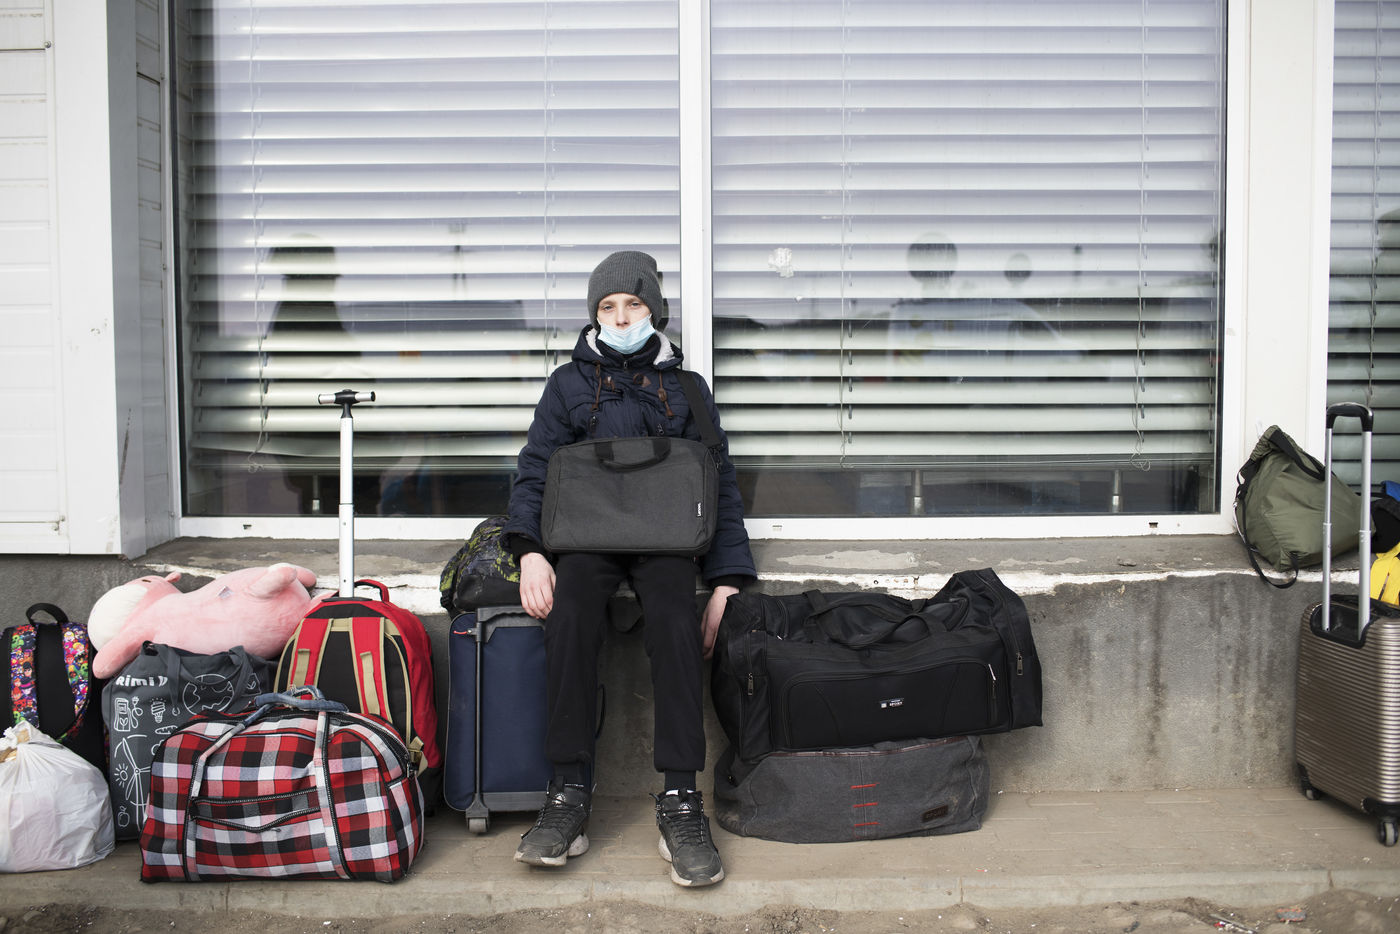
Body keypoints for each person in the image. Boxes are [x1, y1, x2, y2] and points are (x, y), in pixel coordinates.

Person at [502, 250, 756, 887]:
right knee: (568, 618)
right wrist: (529, 550)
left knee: (675, 622)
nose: (620, 318)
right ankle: (567, 792)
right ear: (595, 315)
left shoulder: (688, 388)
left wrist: (727, 581)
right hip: (585, 540)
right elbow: (535, 471)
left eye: (633, 305)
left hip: (666, 542)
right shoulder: (567, 384)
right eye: (608, 307)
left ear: (655, 312)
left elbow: (720, 483)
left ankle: (681, 799)